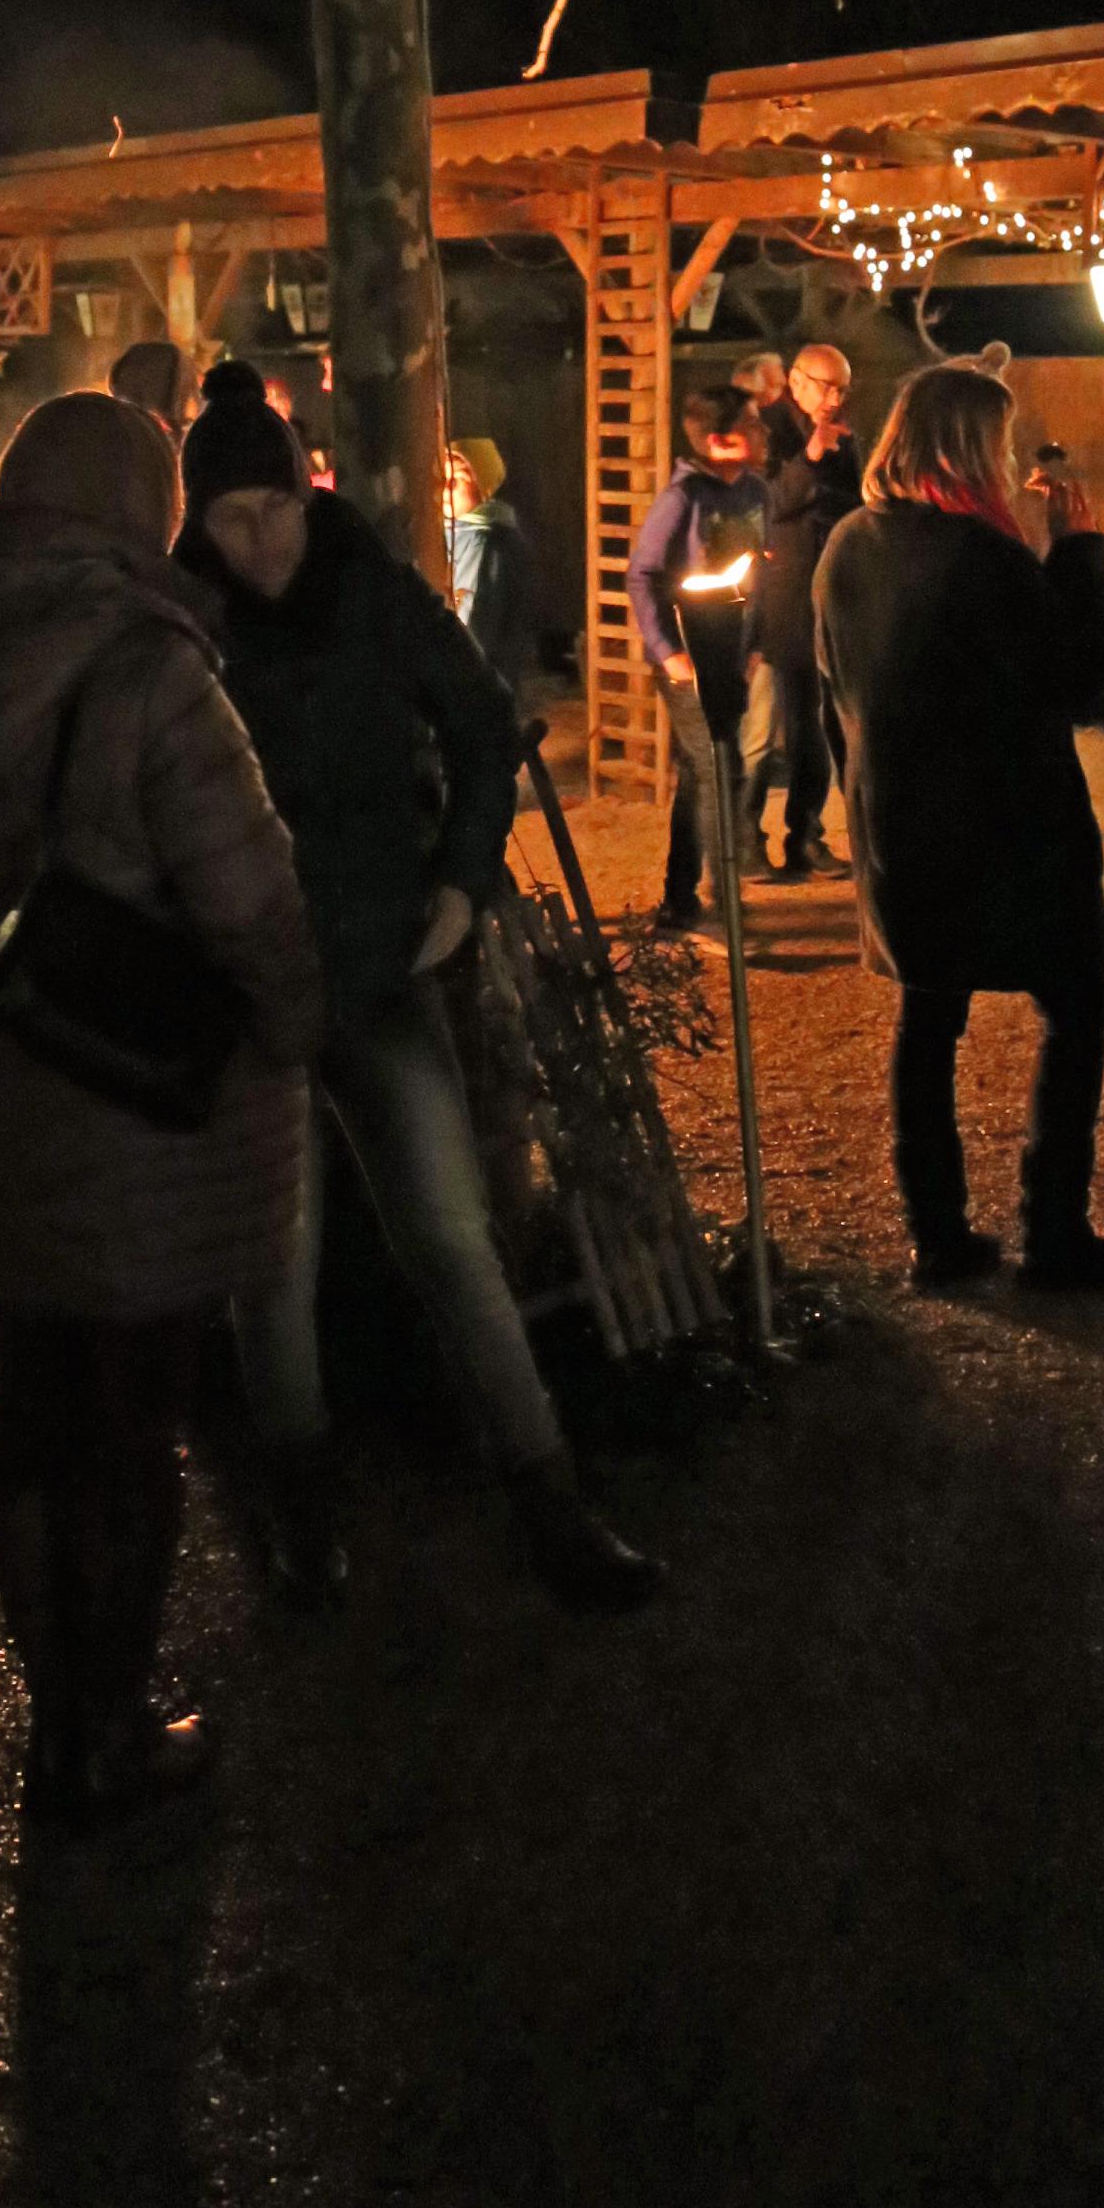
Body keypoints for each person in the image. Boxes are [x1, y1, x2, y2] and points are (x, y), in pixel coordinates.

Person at [0, 389, 321, 1831]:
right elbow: (250, 899)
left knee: (34, 1409)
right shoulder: (149, 661)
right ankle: (110, 1731)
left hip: (17, 1075)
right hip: (149, 1102)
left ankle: (55, 1714)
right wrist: (298, 1023)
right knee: (134, 1425)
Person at [178, 360, 660, 1615]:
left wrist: (460, 880)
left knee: (451, 1236)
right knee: (273, 1267)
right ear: (200, 521)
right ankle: (302, 1525)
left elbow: (484, 724)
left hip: (379, 962)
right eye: (232, 518)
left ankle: (552, 1503)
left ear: (306, 494)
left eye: (275, 509)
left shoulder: (370, 591)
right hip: (247, 986)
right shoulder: (186, 619)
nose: (261, 540)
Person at [817, 363, 1104, 1295]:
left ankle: (938, 1236)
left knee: (928, 1019)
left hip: (902, 828)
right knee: (1075, 1011)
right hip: (1010, 834)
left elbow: (833, 691)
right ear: (970, 448)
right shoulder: (981, 557)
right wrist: (1079, 552)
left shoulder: (849, 544)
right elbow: (1077, 671)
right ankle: (1054, 1234)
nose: (1006, 462)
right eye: (997, 444)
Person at [629, 391, 772, 933]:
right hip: (688, 657)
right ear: (719, 441)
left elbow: (759, 571)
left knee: (699, 775)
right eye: (752, 425)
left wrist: (755, 642)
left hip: (731, 653)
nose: (763, 433)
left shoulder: (756, 492)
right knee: (720, 768)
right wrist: (668, 652)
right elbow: (642, 573)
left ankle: (679, 900)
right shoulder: (682, 498)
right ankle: (724, 907)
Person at [756, 342, 860, 875]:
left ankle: (806, 834)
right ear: (796, 382)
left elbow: (853, 504)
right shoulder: (768, 429)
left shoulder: (842, 434)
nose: (834, 398)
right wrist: (811, 456)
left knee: (824, 722)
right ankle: (751, 839)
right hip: (784, 596)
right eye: (825, 386)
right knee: (783, 725)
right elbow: (769, 505)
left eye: (843, 388)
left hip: (830, 593)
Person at [444, 435, 541, 706]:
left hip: (476, 682)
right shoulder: (454, 532)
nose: (445, 489)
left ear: (483, 487)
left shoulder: (488, 544)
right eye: (442, 479)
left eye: (457, 481)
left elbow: (476, 621)